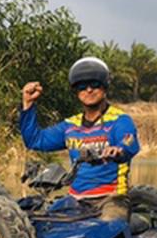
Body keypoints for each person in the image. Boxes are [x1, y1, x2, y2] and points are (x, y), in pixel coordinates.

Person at [19, 56, 140, 221]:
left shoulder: (119, 120)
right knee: (42, 225)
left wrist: (119, 150)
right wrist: (28, 104)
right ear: (76, 92)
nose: (88, 90)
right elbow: (34, 140)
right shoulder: (70, 126)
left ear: (104, 87)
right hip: (75, 200)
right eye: (82, 86)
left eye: (94, 84)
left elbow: (129, 141)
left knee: (109, 229)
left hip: (111, 199)